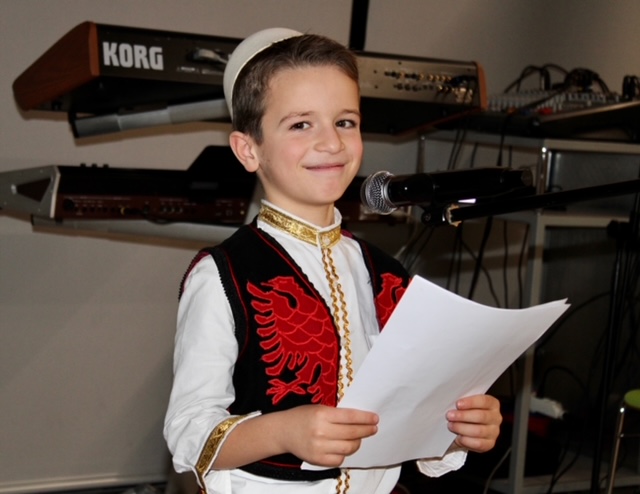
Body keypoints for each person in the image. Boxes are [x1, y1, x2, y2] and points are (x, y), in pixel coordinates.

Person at [163, 27, 502, 494]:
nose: (332, 143)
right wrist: (283, 431)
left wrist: (458, 428)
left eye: (345, 122)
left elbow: (411, 416)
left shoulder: (386, 274)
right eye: (301, 124)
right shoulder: (223, 275)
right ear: (248, 149)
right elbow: (188, 433)